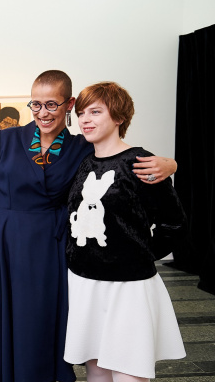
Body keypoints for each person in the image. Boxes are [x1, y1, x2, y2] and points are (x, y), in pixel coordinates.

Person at [0, 70, 177, 382]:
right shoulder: (5, 139)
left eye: (51, 105)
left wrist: (171, 164)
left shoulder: (82, 146)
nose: (43, 113)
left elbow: (116, 158)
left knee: (43, 321)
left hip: (54, 247)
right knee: (4, 319)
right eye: (36, 104)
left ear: (68, 104)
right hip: (2, 243)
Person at [65, 82, 186, 382]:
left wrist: (139, 254)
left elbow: (175, 223)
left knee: (129, 371)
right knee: (95, 370)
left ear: (119, 117)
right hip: (84, 281)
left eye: (95, 112)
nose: (85, 120)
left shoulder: (140, 162)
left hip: (127, 286)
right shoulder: (85, 161)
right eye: (81, 113)